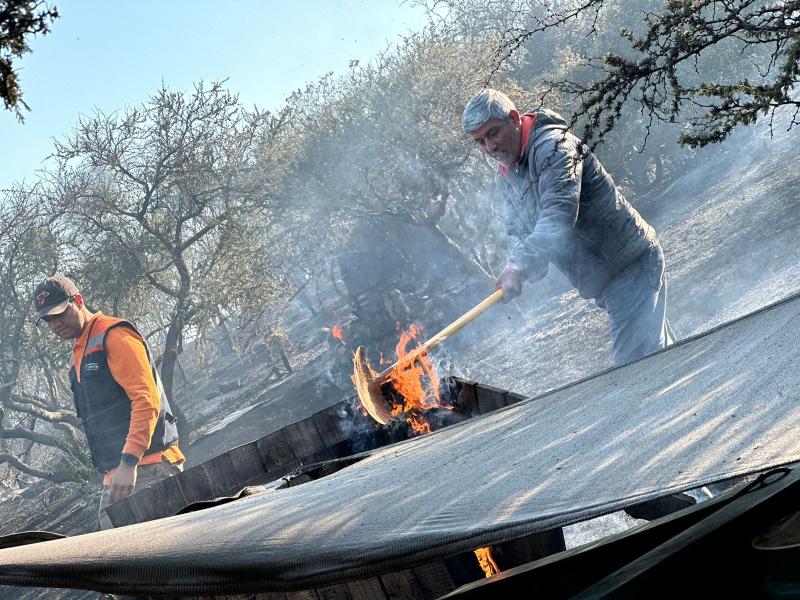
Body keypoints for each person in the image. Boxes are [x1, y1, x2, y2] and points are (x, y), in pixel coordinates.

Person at [463, 89, 672, 365]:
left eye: (493, 133)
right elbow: (519, 229)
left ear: (513, 118)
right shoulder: (508, 175)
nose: (490, 148)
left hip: (629, 267)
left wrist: (520, 265)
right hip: (610, 276)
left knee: (637, 370)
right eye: (480, 142)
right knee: (667, 360)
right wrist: (519, 266)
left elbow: (558, 213)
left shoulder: (554, 148)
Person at [33, 275, 184, 529]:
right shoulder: (76, 357)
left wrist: (128, 463)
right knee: (120, 562)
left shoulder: (113, 335)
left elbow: (145, 400)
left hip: (148, 468)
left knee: (166, 561)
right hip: (119, 476)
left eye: (59, 314)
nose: (55, 324)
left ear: (78, 301)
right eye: (48, 319)